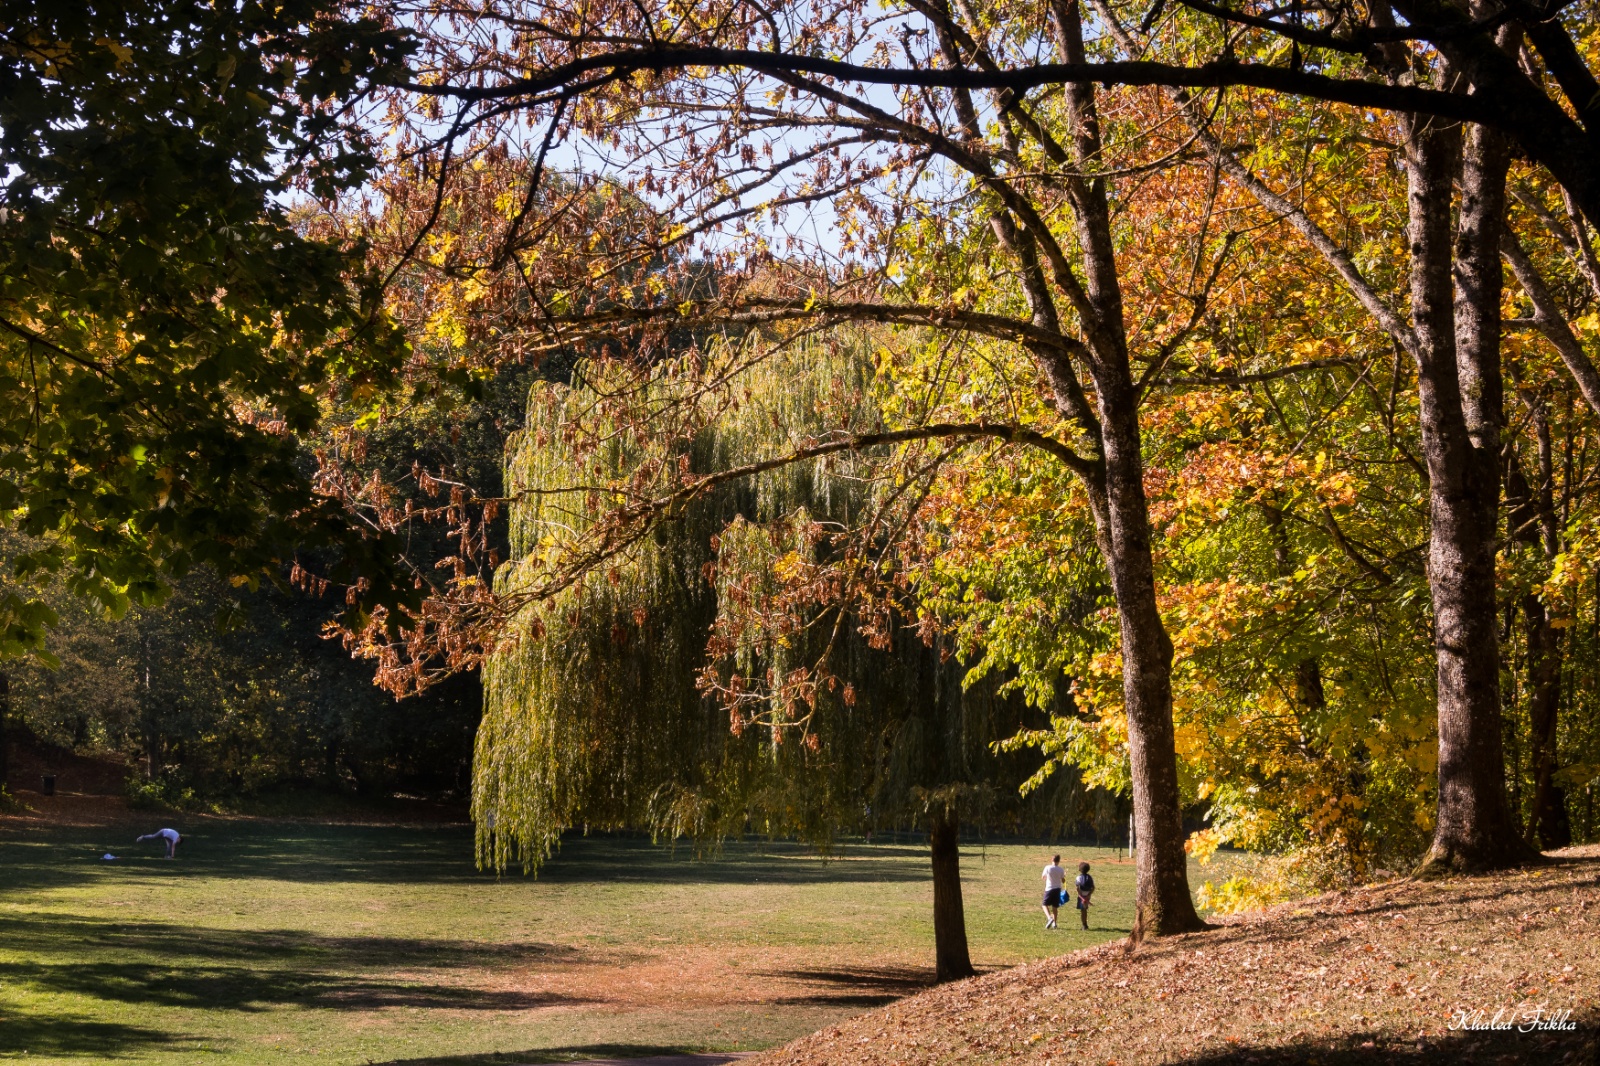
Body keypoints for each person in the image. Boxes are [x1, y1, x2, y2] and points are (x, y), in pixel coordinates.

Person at [1041, 854, 1066, 929]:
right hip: (1057, 889)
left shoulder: (1048, 867)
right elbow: (1063, 880)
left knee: (1044, 904)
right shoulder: (1061, 869)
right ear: (1059, 861)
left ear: (1052, 860)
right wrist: (1064, 875)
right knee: (1055, 907)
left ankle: (1049, 918)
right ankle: (1054, 923)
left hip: (1049, 888)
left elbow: (1043, 877)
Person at [1074, 861, 1095, 929]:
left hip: (1081, 896)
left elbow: (1077, 888)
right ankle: (1085, 924)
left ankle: (1084, 925)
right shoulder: (1090, 877)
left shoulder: (1079, 877)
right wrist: (1088, 895)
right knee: (1085, 909)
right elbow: (1093, 887)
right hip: (1087, 895)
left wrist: (1080, 895)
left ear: (1080, 869)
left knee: (1083, 910)